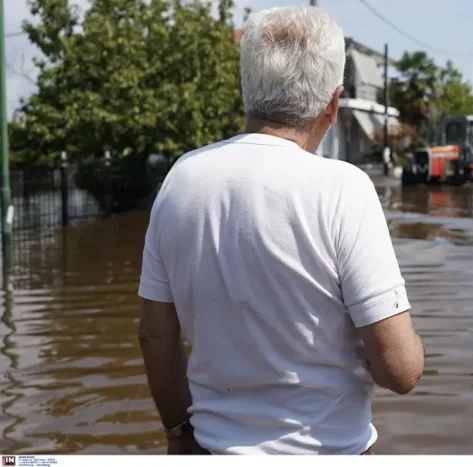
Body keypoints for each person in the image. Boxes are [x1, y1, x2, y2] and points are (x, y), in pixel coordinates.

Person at [137, 6, 424, 456]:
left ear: (245, 89)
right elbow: (401, 370)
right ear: (333, 104)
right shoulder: (344, 189)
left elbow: (155, 334)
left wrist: (178, 431)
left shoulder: (182, 179)